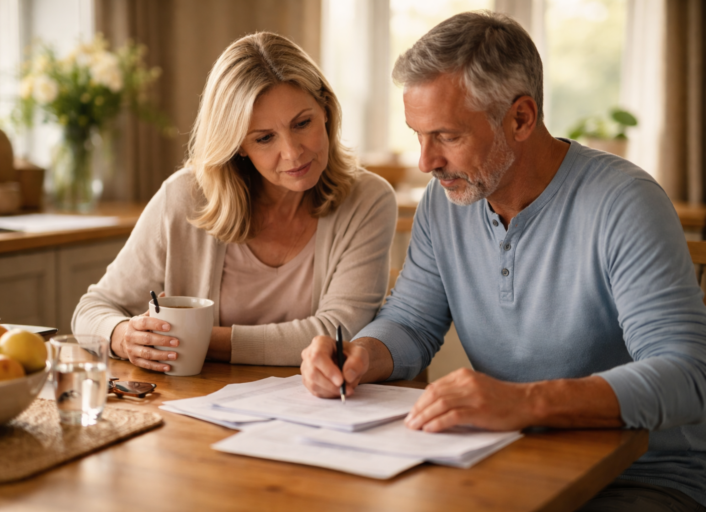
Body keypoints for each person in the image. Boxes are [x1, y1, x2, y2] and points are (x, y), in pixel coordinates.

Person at [300, 11, 706, 511]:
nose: (427, 162)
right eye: (417, 135)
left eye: (447, 136)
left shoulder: (624, 202)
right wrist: (362, 355)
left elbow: (686, 375)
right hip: (505, 460)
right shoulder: (445, 202)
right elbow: (411, 321)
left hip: (639, 478)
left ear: (521, 118)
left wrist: (525, 402)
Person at [73, 32, 396, 371]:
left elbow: (339, 332)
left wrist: (195, 339)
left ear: (326, 110)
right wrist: (125, 336)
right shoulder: (185, 197)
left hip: (314, 409)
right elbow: (92, 309)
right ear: (238, 144)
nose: (292, 152)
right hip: (197, 408)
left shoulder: (368, 200)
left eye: (302, 123)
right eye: (265, 138)